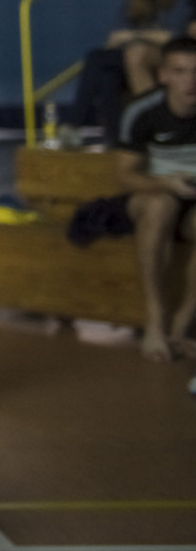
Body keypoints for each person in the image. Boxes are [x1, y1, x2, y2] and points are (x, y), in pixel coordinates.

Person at [115, 36, 196, 362]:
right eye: (180, 71)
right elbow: (124, 176)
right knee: (161, 204)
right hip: (153, 192)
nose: (190, 81)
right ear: (163, 75)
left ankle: (182, 323)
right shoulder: (142, 110)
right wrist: (164, 182)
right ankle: (155, 315)